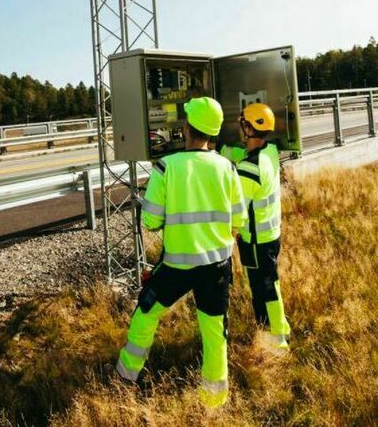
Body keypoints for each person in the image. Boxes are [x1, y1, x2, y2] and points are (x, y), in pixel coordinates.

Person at [115, 96, 246, 409]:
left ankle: (126, 377)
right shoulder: (227, 167)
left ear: (187, 128)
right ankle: (214, 400)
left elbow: (150, 221)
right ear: (212, 132)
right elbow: (238, 220)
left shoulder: (166, 167)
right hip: (216, 265)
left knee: (146, 312)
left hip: (175, 267)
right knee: (215, 331)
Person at [221, 103, 291, 351]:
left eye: (243, 124)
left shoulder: (249, 169)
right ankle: (271, 329)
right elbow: (243, 155)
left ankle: (278, 338)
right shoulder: (269, 152)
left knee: (265, 286)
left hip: (255, 240)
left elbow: (234, 207)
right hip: (271, 235)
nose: (241, 128)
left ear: (249, 128)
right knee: (268, 282)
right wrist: (222, 150)